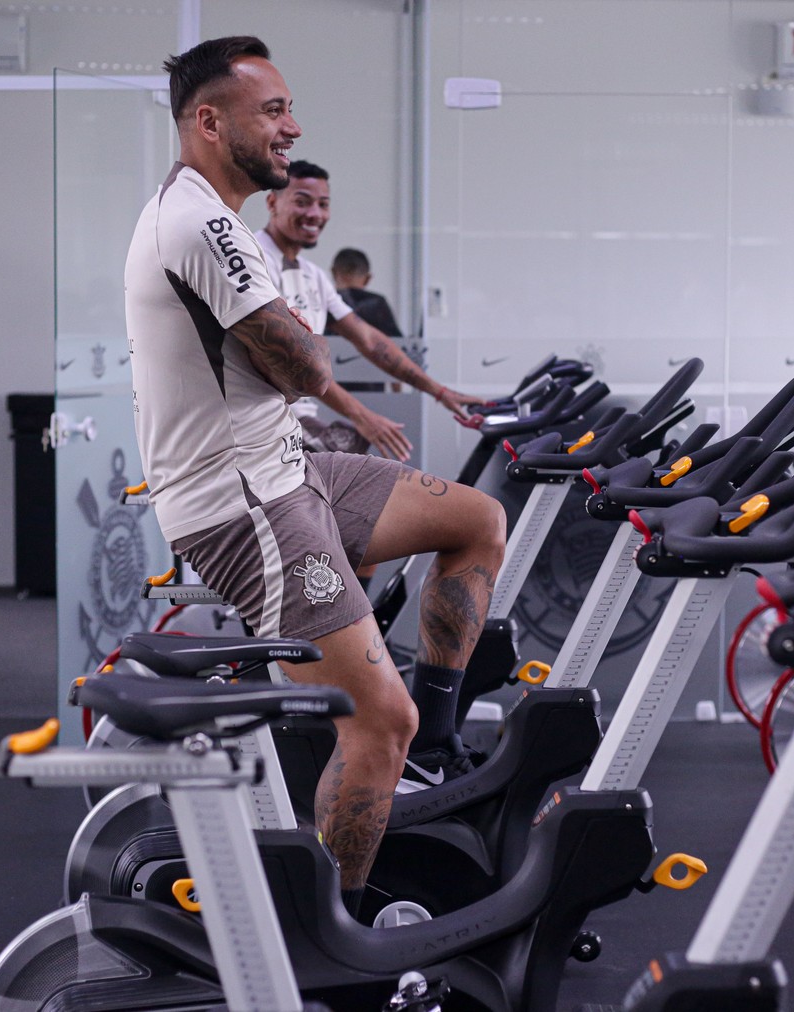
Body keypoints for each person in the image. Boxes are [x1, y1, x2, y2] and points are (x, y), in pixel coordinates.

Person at [124, 36, 507, 917]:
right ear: (209, 122)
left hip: (288, 469)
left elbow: (314, 353)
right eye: (274, 112)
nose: (293, 128)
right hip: (243, 503)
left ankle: (439, 741)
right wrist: (297, 349)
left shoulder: (220, 222)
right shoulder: (204, 224)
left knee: (476, 520)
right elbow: (302, 366)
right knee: (380, 720)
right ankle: (321, 938)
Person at [256, 160, 473, 463]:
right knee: (366, 465)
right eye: (302, 202)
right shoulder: (255, 260)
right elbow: (292, 359)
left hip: (298, 420)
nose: (314, 214)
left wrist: (439, 392)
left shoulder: (314, 276)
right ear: (272, 202)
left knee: (364, 462)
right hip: (262, 427)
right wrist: (363, 417)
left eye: (323, 204)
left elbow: (369, 339)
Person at [331, 246, 403, 338]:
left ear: (333, 273)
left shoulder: (326, 302)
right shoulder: (377, 304)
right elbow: (397, 340)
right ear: (368, 278)